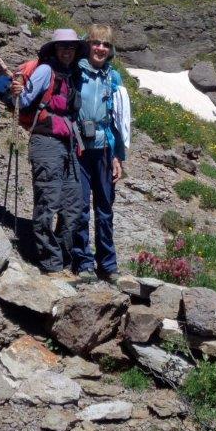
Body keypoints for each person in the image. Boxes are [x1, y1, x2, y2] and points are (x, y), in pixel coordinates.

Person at [10, 28, 84, 279]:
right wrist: (19, 91)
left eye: (71, 47)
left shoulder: (73, 75)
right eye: (62, 46)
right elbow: (26, 100)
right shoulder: (45, 71)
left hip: (69, 145)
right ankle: (50, 264)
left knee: (73, 205)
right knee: (48, 202)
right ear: (54, 49)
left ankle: (61, 260)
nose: (67, 51)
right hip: (46, 142)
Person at [72, 24, 131, 284]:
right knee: (81, 207)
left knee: (105, 209)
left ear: (111, 50)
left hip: (105, 150)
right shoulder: (75, 72)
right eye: (96, 43)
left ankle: (108, 265)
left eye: (106, 45)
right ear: (88, 45)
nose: (100, 48)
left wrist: (118, 157)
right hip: (78, 148)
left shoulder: (114, 78)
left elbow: (120, 120)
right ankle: (83, 261)